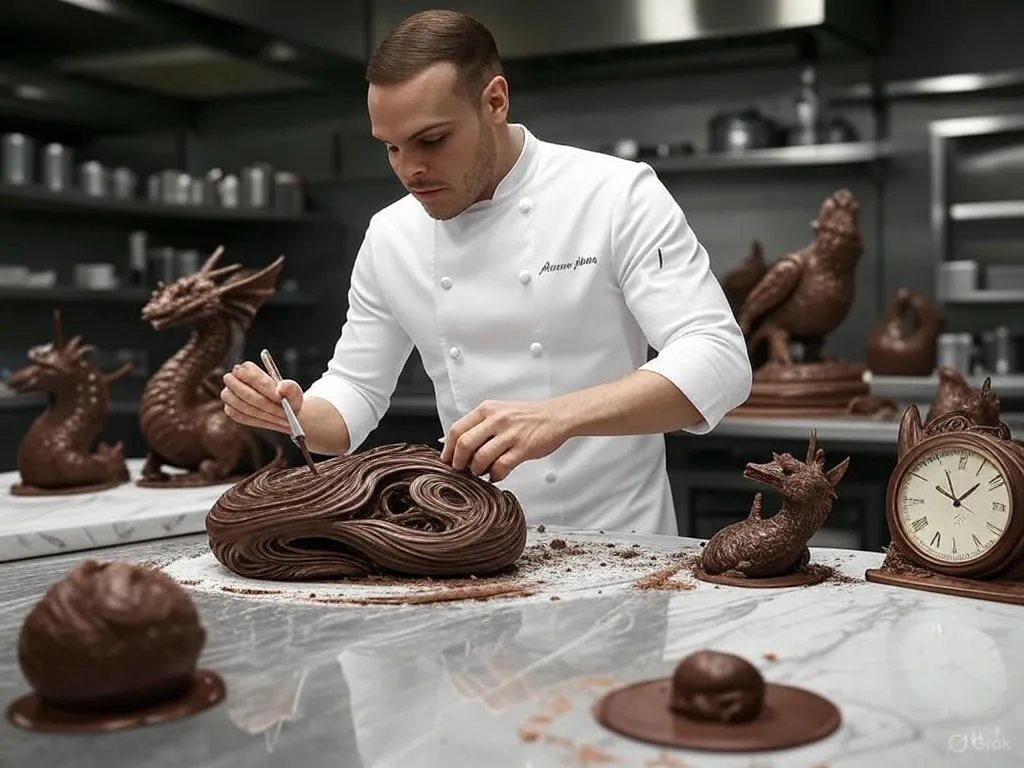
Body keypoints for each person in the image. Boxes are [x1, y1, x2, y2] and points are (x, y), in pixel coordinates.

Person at [220, 9, 752, 536]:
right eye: (391, 147)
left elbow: (718, 359)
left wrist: (555, 417)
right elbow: (354, 395)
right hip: (474, 548)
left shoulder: (614, 195)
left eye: (431, 141)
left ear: (495, 101)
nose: (409, 170)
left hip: (624, 546)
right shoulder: (390, 235)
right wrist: (291, 412)